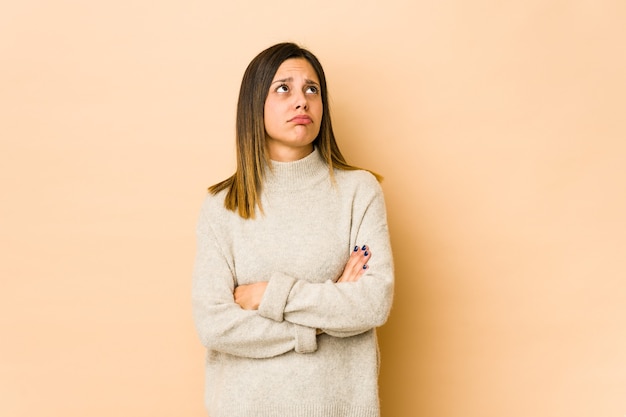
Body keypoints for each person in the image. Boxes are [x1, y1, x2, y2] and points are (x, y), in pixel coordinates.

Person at [192, 42, 394, 417]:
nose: (301, 101)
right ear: (255, 104)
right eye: (283, 88)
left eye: (312, 89)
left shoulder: (359, 191)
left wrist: (267, 294)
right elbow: (214, 325)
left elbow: (372, 303)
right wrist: (321, 320)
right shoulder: (222, 205)